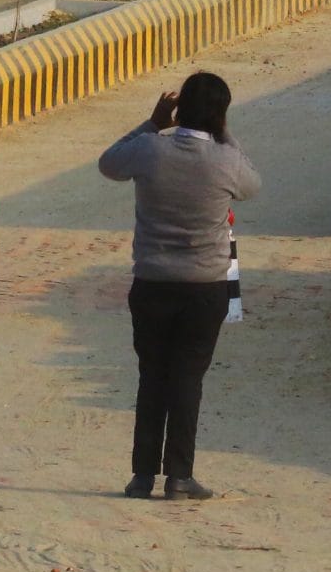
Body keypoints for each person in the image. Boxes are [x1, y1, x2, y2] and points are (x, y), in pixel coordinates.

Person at [97, 73, 262, 501]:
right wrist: (224, 133)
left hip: (151, 282)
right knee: (188, 379)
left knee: (152, 377)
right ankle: (180, 476)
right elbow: (251, 185)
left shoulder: (151, 150)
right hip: (205, 287)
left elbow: (108, 162)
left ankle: (141, 476)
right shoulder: (224, 160)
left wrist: (151, 123)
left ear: (177, 109)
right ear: (221, 115)